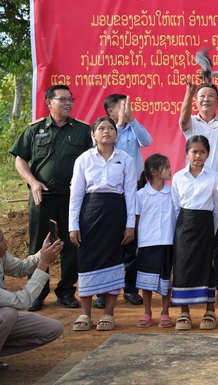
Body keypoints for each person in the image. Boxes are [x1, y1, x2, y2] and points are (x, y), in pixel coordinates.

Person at [9, 85, 92, 311]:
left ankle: (66, 291)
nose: (68, 103)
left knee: (71, 242)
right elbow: (20, 160)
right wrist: (33, 182)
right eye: (63, 99)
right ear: (49, 103)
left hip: (72, 197)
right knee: (38, 244)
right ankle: (37, 293)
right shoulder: (34, 130)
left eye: (70, 99)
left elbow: (92, 160)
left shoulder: (83, 131)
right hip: (41, 197)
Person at [68, 117, 137, 332]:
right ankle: (85, 314)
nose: (106, 131)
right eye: (101, 128)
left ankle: (109, 313)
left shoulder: (125, 159)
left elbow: (131, 194)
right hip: (90, 213)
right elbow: (76, 195)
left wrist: (130, 224)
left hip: (115, 212)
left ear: (116, 134)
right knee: (86, 260)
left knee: (114, 260)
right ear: (93, 135)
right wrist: (73, 225)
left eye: (110, 128)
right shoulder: (84, 159)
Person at [179, 77, 218, 307]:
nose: (206, 99)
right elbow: (182, 121)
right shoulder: (191, 122)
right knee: (198, 243)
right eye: (202, 96)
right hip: (197, 188)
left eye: (210, 96)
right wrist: (188, 93)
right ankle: (197, 287)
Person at [95, 94, 153, 308]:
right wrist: (118, 125)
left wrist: (132, 120)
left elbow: (147, 141)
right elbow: (109, 145)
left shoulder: (133, 129)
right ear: (110, 111)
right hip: (110, 193)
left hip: (135, 189)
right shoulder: (104, 132)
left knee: (132, 241)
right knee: (108, 243)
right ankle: (103, 291)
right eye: (123, 107)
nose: (127, 110)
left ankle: (131, 289)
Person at [171, 136, 218, 330]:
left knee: (206, 265)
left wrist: (214, 231)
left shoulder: (214, 176)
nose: (198, 156)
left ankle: (210, 310)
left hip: (206, 225)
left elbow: (217, 207)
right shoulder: (178, 177)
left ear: (208, 154)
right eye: (194, 151)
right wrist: (178, 230)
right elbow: (175, 207)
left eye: (202, 152)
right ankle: (184, 312)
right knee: (182, 266)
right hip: (183, 226)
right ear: (187, 153)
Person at [0, 229, 64, 371]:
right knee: (8, 314)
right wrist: (44, 264)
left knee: (52, 329)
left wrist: (43, 252)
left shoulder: (1, 256)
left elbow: (21, 268)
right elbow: (23, 301)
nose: (6, 242)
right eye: (1, 240)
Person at [135, 154, 175, 329]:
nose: (170, 170)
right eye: (166, 167)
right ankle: (147, 312)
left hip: (167, 241)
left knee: (166, 277)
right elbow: (136, 220)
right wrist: (137, 243)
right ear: (155, 172)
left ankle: (165, 312)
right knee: (146, 279)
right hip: (147, 242)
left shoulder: (173, 193)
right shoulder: (141, 194)